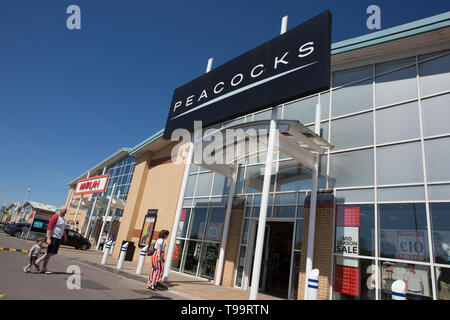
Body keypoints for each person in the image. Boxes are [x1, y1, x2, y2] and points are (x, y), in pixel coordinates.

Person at [35, 207, 68, 274]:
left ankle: (38, 261)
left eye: (66, 212)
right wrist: (48, 238)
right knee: (50, 252)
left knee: (53, 253)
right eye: (64, 211)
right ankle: (44, 268)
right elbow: (49, 228)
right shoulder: (55, 217)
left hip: (58, 238)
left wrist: (65, 236)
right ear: (61, 210)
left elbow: (62, 228)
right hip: (53, 237)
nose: (65, 213)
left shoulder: (63, 219)